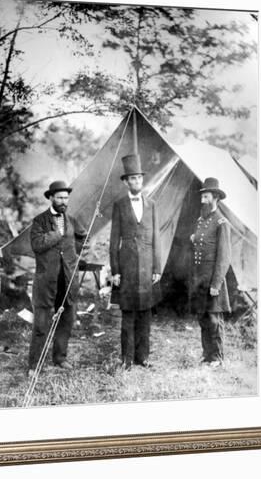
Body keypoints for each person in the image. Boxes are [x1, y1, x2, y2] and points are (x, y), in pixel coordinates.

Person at [28, 180, 87, 376]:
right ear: (51, 198)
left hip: (67, 279)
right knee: (41, 324)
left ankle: (60, 357)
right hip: (46, 281)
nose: (64, 201)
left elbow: (74, 246)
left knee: (66, 320)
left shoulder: (71, 220)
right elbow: (36, 245)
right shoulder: (39, 221)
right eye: (60, 197)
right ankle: (35, 365)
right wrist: (57, 234)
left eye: (66, 198)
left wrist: (81, 242)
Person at [109, 154, 161, 370]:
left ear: (142, 180)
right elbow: (113, 241)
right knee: (128, 315)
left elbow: (157, 237)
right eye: (132, 179)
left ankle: (143, 357)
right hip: (128, 267)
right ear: (126, 182)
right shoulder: (119, 205)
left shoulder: (152, 205)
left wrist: (157, 268)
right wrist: (115, 271)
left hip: (147, 268)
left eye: (139, 178)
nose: (137, 182)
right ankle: (126, 359)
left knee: (145, 315)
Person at [189, 177, 231, 369]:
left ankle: (217, 357)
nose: (202, 200)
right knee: (202, 317)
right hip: (200, 279)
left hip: (213, 280)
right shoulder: (200, 220)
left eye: (205, 197)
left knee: (214, 319)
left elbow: (224, 257)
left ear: (215, 198)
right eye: (202, 197)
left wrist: (216, 284)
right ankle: (207, 355)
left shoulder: (222, 222)